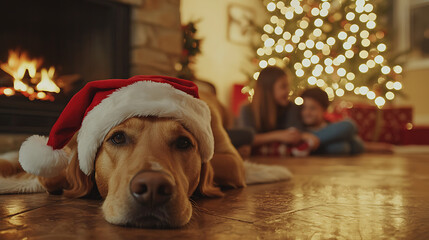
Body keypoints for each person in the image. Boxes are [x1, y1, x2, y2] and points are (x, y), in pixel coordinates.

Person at [238, 66, 320, 155]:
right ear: (268, 88)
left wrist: (302, 135)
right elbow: (246, 139)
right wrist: (278, 135)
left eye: (288, 86)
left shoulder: (291, 108)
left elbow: (295, 133)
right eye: (283, 86)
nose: (288, 91)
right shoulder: (247, 109)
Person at [300, 87, 365, 155]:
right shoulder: (301, 129)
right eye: (303, 108)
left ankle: (310, 142)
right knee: (341, 147)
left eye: (312, 108)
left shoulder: (331, 126)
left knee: (349, 126)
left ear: (324, 109)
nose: (307, 112)